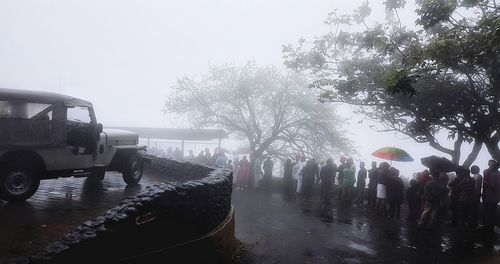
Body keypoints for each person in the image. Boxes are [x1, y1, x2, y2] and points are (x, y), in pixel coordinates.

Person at [481, 159, 500, 240]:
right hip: (493, 197)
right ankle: (489, 228)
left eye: (491, 164)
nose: (489, 166)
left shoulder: (488, 172)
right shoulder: (497, 173)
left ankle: (487, 229)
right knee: (491, 213)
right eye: (489, 164)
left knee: (489, 213)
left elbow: (489, 184)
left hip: (490, 197)